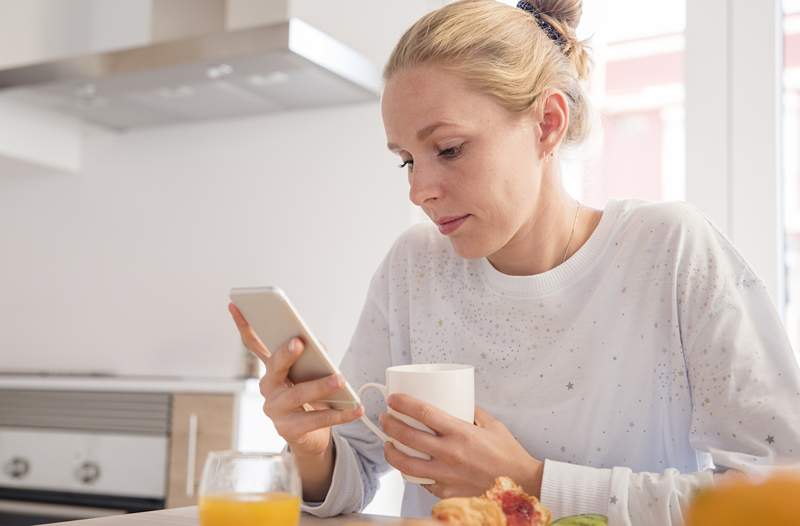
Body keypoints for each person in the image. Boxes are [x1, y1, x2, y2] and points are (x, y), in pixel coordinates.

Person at [229, 0, 800, 524]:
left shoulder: (670, 251)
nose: (419, 190)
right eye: (406, 160)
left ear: (547, 124)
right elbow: (350, 474)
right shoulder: (415, 265)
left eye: (448, 149)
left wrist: (530, 482)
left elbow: (776, 496)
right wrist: (311, 446)